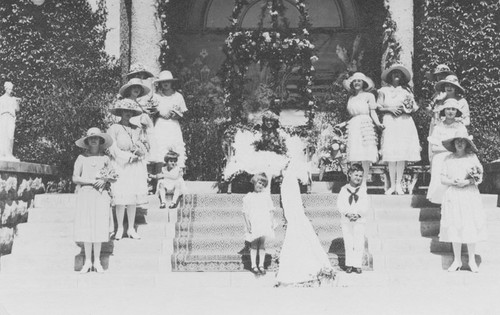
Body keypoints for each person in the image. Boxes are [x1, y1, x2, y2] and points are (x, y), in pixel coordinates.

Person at [275, 140, 334, 286]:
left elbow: (304, 176)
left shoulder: (297, 165)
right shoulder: (280, 161)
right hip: (287, 185)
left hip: (291, 185)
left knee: (297, 217)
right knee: (293, 213)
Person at [440, 129, 486, 273]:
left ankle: (472, 260)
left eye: (462, 141)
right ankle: (457, 260)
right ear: (454, 143)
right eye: (457, 141)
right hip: (453, 194)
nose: (459, 144)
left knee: (469, 224)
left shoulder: (472, 158)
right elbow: (442, 178)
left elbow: (479, 177)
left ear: (466, 143)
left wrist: (467, 182)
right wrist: (453, 181)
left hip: (469, 194)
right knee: (455, 225)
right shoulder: (448, 159)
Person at [72, 127, 114, 273]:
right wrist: (91, 181)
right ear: (87, 141)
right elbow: (75, 177)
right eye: (91, 138)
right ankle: (87, 262)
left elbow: (112, 176)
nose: (94, 140)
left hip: (101, 195)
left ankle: (97, 261)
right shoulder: (82, 158)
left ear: (101, 141)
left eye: (97, 138)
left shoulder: (105, 158)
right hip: (86, 195)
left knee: (99, 226)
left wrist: (105, 181)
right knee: (87, 226)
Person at [107, 98, 150, 240]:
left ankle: (131, 228)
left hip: (134, 165)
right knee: (120, 197)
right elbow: (112, 148)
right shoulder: (114, 128)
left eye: (130, 111)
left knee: (131, 197)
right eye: (125, 111)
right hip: (120, 164)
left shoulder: (137, 129)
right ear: (120, 112)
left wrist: (140, 152)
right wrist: (127, 157)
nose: (128, 114)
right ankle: (120, 228)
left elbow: (143, 146)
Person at [377, 64, 421, 195]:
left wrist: (407, 108)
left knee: (401, 153)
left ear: (401, 76)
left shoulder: (406, 91)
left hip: (403, 122)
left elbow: (413, 107)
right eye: (394, 73)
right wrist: (389, 109)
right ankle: (391, 185)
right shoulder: (383, 91)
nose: (396, 75)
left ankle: (398, 185)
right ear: (390, 76)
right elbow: (378, 106)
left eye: (399, 73)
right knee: (391, 153)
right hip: (390, 121)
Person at [342, 72, 384, 186]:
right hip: (354, 124)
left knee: (365, 153)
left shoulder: (369, 96)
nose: (357, 83)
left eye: (359, 81)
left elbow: (373, 112)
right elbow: (351, 115)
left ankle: (364, 182)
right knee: (355, 154)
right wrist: (343, 124)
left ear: (363, 83)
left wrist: (378, 123)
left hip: (365, 124)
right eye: (354, 81)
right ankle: (354, 183)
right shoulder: (351, 97)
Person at [426, 99, 467, 204]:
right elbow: (434, 148)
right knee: (439, 162)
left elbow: (464, 146)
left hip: (455, 155)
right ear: (444, 110)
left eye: (453, 109)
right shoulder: (438, 127)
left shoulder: (460, 126)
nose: (450, 111)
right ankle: (440, 201)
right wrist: (450, 148)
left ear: (456, 111)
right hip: (440, 155)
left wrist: (452, 150)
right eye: (448, 109)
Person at [337, 164, 368, 274]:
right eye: (356, 175)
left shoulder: (363, 190)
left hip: (359, 220)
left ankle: (357, 264)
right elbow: (340, 204)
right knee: (349, 242)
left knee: (359, 242)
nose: (358, 178)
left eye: (360, 176)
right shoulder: (344, 190)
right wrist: (347, 214)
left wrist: (359, 214)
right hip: (346, 220)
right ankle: (349, 264)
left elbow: (366, 204)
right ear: (350, 174)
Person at [242, 173, 275, 275]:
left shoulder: (266, 197)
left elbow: (271, 210)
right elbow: (245, 212)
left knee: (261, 244)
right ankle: (253, 265)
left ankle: (261, 264)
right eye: (259, 183)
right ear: (254, 183)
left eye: (263, 184)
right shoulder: (248, 197)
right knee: (254, 244)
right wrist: (248, 224)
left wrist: (271, 222)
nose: (260, 186)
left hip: (264, 222)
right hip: (254, 222)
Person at [153, 70, 187, 168]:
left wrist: (176, 115)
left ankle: (176, 176)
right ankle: (161, 176)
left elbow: (182, 113)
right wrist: (160, 114)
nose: (165, 83)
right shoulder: (156, 96)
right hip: (161, 125)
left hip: (173, 126)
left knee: (175, 147)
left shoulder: (178, 96)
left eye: (167, 81)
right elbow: (152, 111)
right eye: (163, 82)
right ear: (160, 83)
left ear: (172, 82)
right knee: (161, 147)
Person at [426, 64, 456, 162]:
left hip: (447, 121)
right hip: (435, 120)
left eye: (443, 75)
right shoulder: (436, 94)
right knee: (434, 146)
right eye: (438, 75)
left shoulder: (452, 92)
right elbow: (429, 110)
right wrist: (434, 105)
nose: (440, 77)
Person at [0, 82, 20, 161]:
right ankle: (2, 154)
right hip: (4, 117)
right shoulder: (1, 99)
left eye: (11, 89)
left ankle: (9, 154)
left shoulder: (13, 99)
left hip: (11, 118)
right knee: (3, 135)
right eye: (9, 89)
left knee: (10, 136)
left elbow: (17, 109)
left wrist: (18, 103)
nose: (10, 90)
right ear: (5, 89)